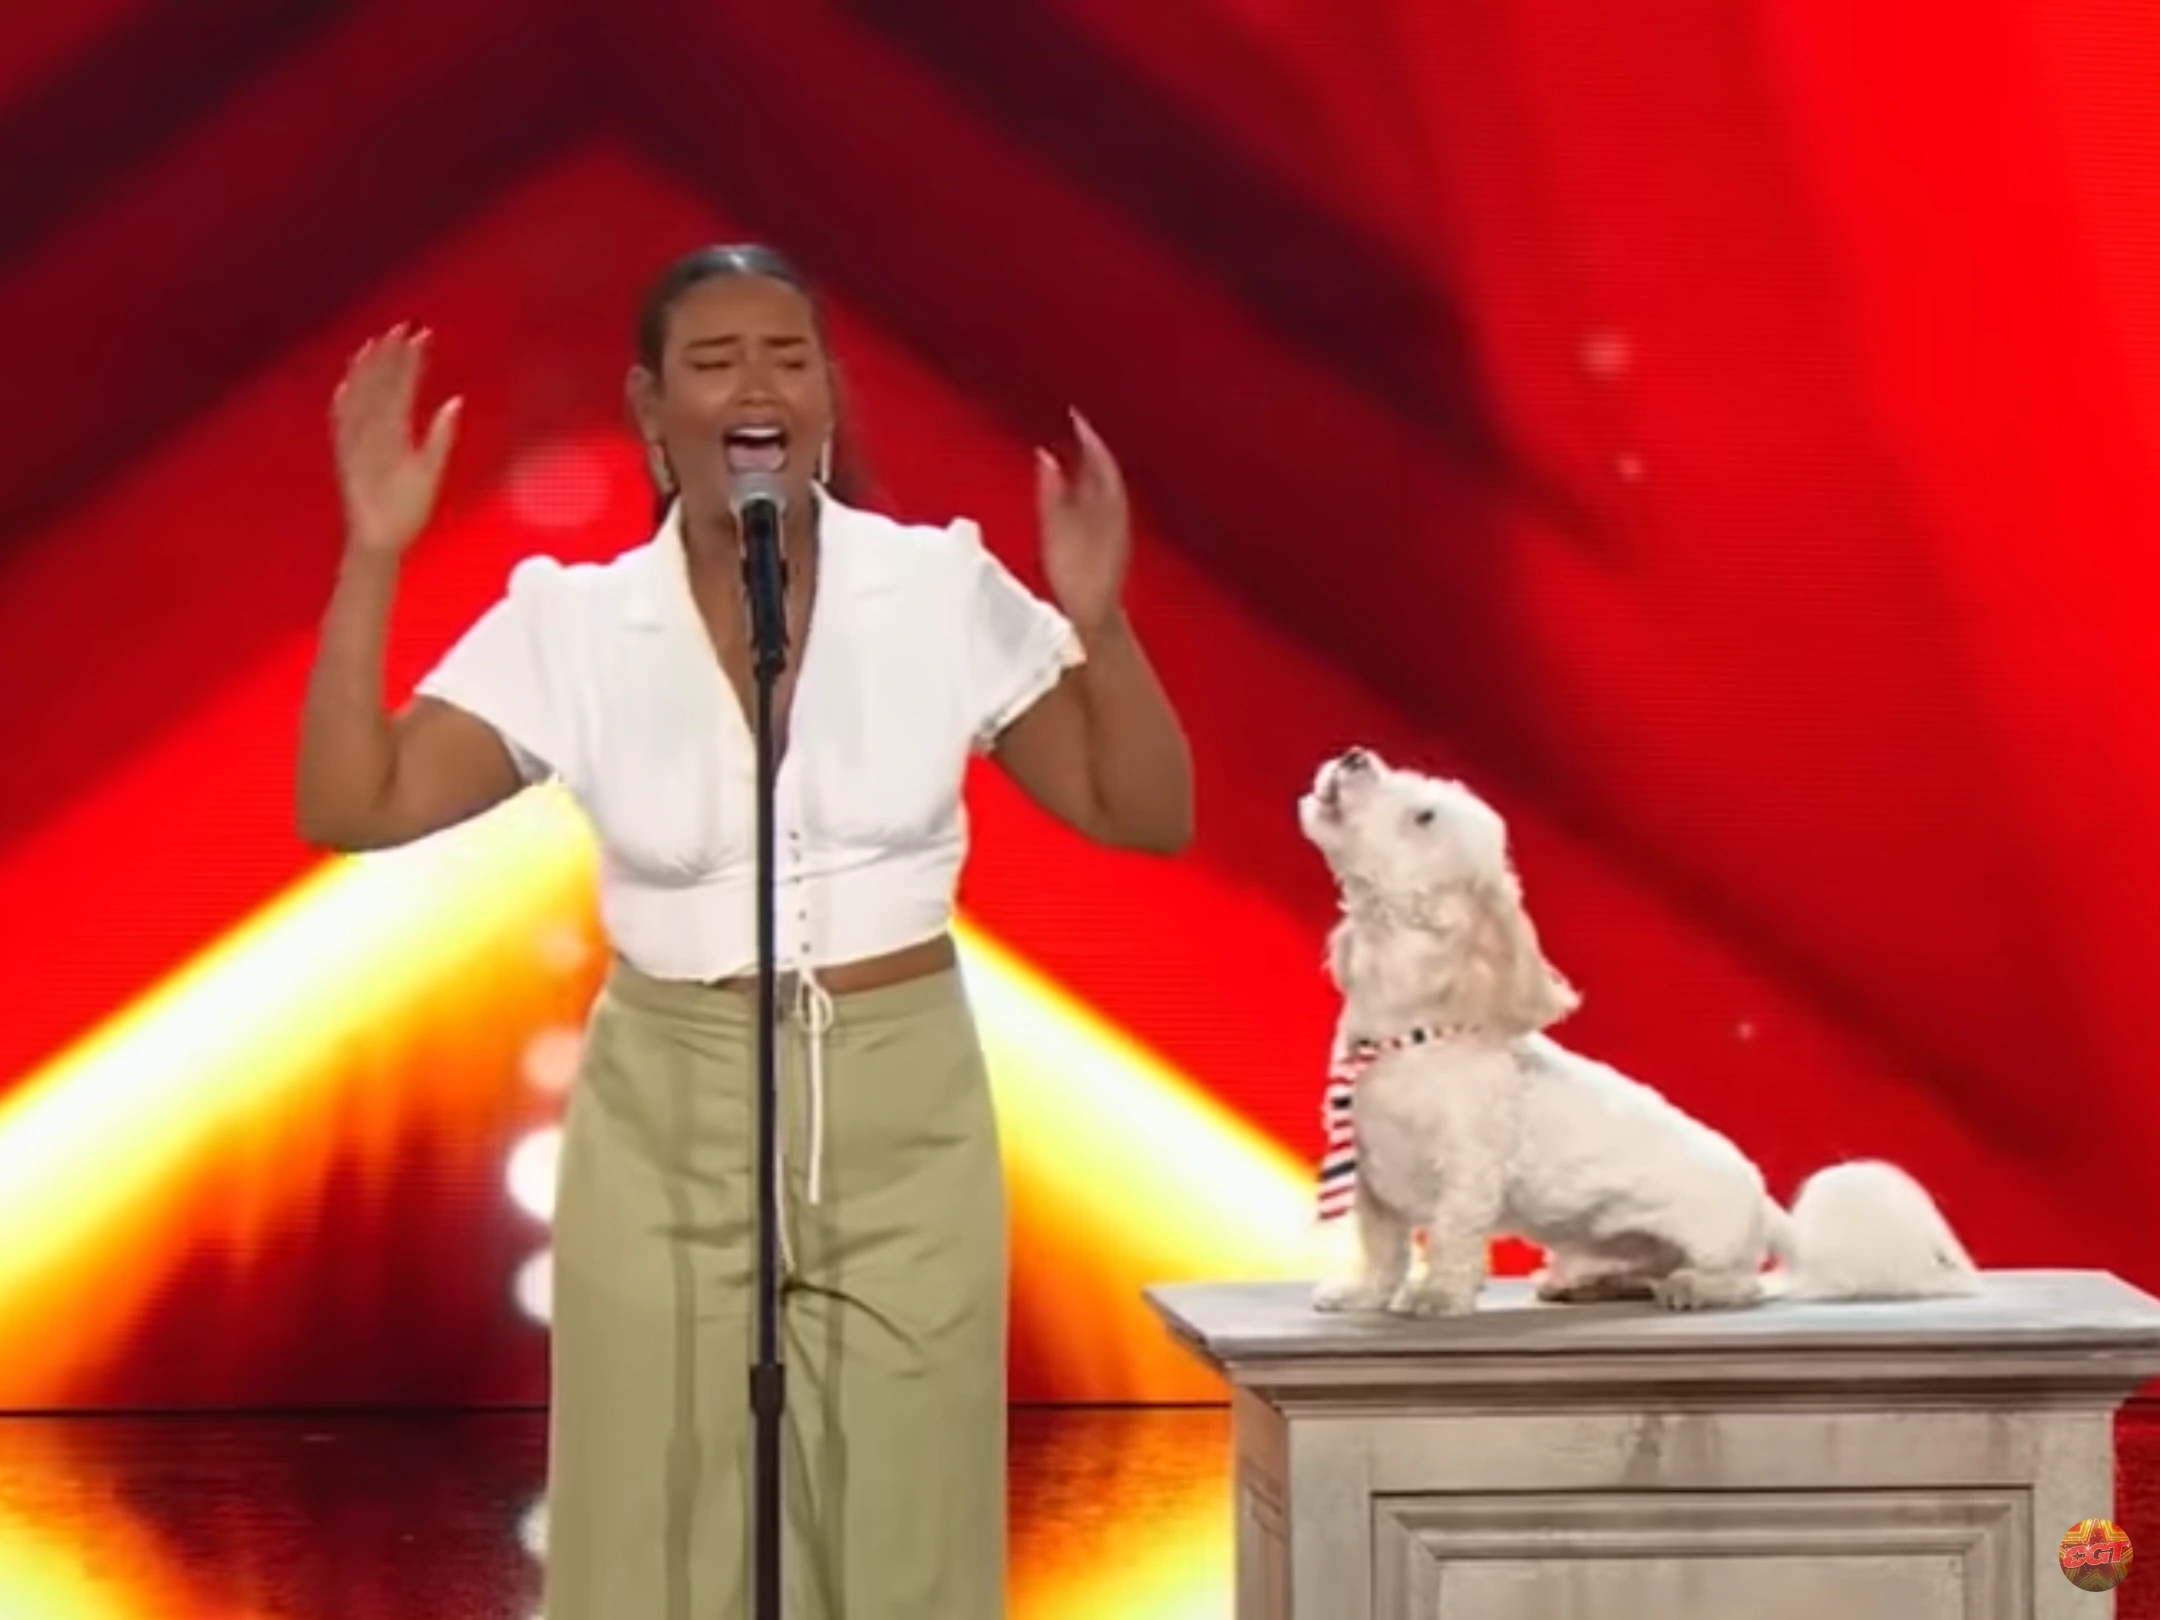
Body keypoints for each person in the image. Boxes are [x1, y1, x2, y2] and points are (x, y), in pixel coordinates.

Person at [294, 243, 1195, 1620]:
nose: (757, 387)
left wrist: (1100, 623)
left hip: (901, 1098)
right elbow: (354, 801)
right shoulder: (580, 622)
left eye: (788, 359)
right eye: (715, 363)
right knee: (652, 1524)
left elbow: (1142, 810)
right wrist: (373, 553)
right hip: (666, 1103)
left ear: (828, 396)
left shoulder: (935, 589)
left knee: (903, 1524)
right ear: (650, 408)